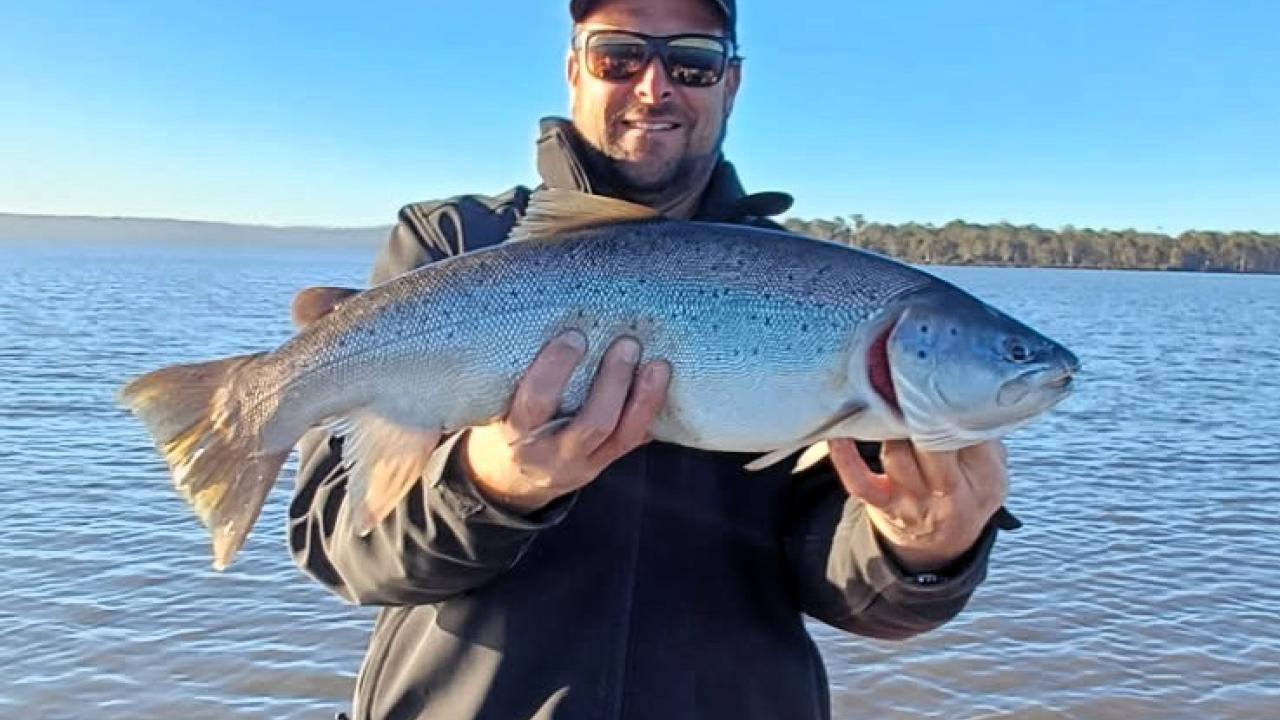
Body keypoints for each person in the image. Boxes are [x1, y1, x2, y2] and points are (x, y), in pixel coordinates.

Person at [290, 1, 1020, 718]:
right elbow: (343, 550)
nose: (654, 86)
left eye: (692, 62)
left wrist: (924, 551)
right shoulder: (454, 245)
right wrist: (490, 486)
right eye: (619, 56)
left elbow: (847, 587)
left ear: (730, 84)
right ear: (574, 68)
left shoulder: (827, 296)